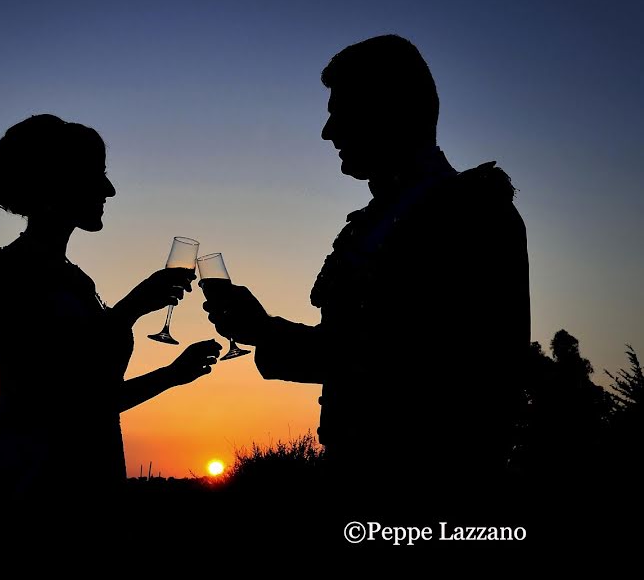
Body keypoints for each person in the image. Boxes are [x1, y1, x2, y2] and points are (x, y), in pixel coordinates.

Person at [203, 35, 530, 534]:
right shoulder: (378, 218)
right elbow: (364, 347)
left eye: (341, 112)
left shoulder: (472, 211)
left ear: (390, 110)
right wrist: (263, 328)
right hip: (357, 487)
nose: (327, 131)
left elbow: (414, 362)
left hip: (427, 497)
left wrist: (268, 334)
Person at [0, 114, 220, 570]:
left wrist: (173, 375)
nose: (110, 190)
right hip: (36, 484)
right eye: (96, 175)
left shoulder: (75, 280)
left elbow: (93, 401)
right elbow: (49, 396)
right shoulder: (11, 271)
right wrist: (130, 308)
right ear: (56, 183)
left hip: (89, 478)